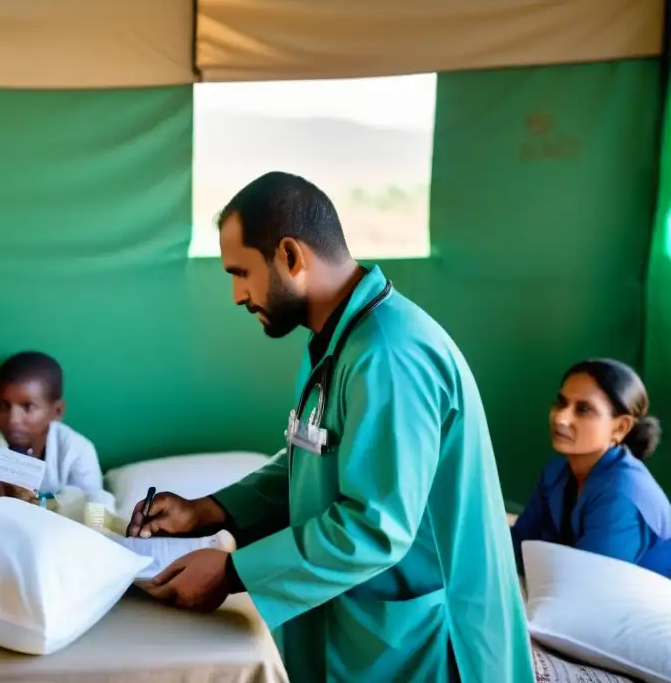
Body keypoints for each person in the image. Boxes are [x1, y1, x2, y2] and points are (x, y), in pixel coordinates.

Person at [127, 172, 534, 682]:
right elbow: (313, 458)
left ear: (291, 257)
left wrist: (233, 572)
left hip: (429, 644)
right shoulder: (341, 341)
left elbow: (375, 527)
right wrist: (209, 510)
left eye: (241, 272)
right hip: (369, 631)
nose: (236, 295)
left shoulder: (390, 354)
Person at [510, 358, 671, 578]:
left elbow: (591, 587)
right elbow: (518, 546)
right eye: (560, 403)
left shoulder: (622, 495)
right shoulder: (557, 472)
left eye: (584, 409)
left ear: (620, 427)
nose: (560, 418)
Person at [0, 351, 106, 507]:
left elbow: (95, 507)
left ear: (57, 411)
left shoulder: (77, 451)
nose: (13, 419)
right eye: (3, 406)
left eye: (28, 407)